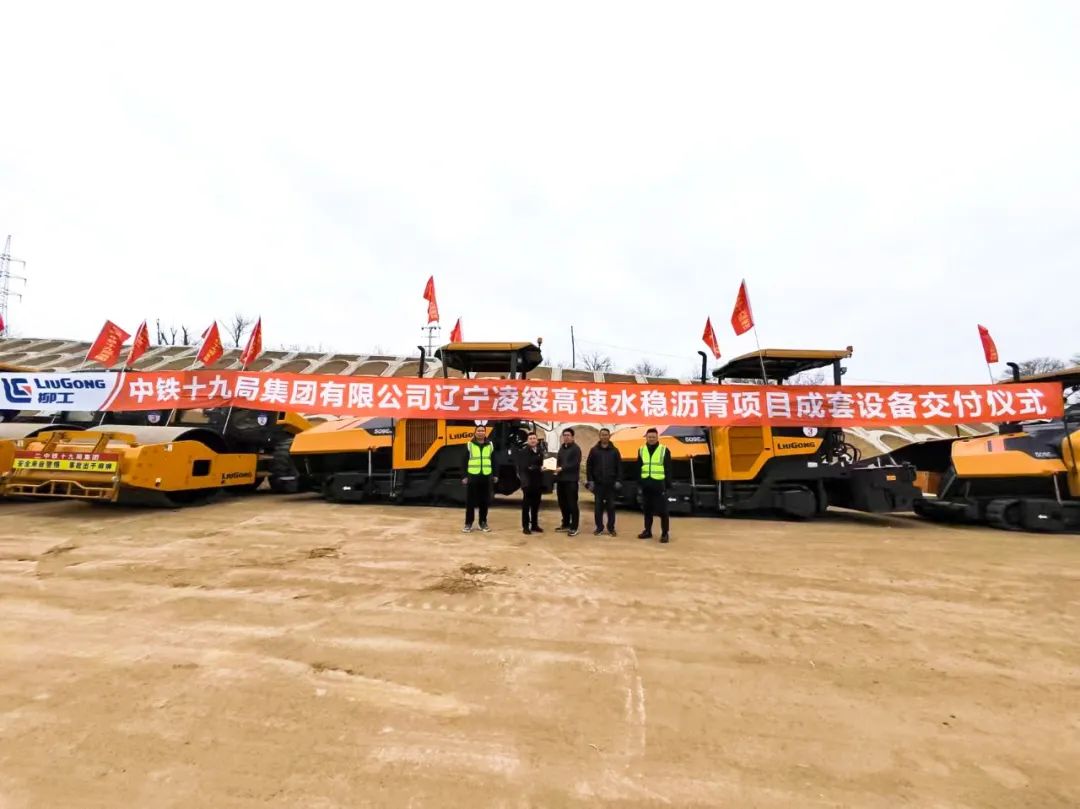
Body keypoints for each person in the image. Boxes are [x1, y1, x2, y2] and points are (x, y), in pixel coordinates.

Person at [637, 427, 672, 543]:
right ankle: (647, 531)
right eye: (649, 437)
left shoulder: (664, 450)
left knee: (663, 511)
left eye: (653, 437)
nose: (651, 439)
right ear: (646, 437)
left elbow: (668, 469)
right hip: (646, 484)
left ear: (657, 438)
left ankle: (665, 533)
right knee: (647, 510)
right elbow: (638, 467)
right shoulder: (641, 450)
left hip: (659, 485)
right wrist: (639, 483)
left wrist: (667, 485)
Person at [585, 428, 621, 536]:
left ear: (609, 436)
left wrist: (618, 480)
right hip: (598, 484)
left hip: (610, 484)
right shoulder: (594, 450)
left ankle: (611, 528)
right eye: (602, 435)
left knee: (611, 507)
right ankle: (599, 527)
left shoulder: (615, 451)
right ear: (599, 436)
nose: (604, 437)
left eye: (606, 435)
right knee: (598, 508)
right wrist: (590, 480)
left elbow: (619, 467)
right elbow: (589, 466)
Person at [461, 424, 496, 533]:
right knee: (470, 502)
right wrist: (464, 476)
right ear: (475, 432)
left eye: (482, 431)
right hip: (472, 476)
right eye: (479, 431)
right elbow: (463, 462)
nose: (480, 432)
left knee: (484, 502)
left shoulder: (490, 445)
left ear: (485, 433)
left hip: (485, 476)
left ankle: (483, 523)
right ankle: (468, 524)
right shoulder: (469, 445)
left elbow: (494, 461)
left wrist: (495, 475)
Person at [516, 431, 545, 535]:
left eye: (534, 438)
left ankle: (534, 525)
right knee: (526, 506)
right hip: (527, 483)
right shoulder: (523, 452)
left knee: (536, 505)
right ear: (527, 441)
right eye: (530, 438)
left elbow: (543, 464)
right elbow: (526, 467)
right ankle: (525, 526)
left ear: (537, 440)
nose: (533, 440)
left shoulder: (540, 451)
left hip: (538, 482)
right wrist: (539, 468)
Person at [554, 427, 581, 536]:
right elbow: (559, 461)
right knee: (562, 503)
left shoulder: (576, 449)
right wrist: (555, 469)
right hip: (561, 480)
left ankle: (574, 527)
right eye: (564, 435)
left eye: (568, 435)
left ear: (572, 437)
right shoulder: (562, 448)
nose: (566, 437)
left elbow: (574, 463)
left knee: (572, 504)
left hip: (571, 481)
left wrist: (562, 468)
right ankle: (565, 523)